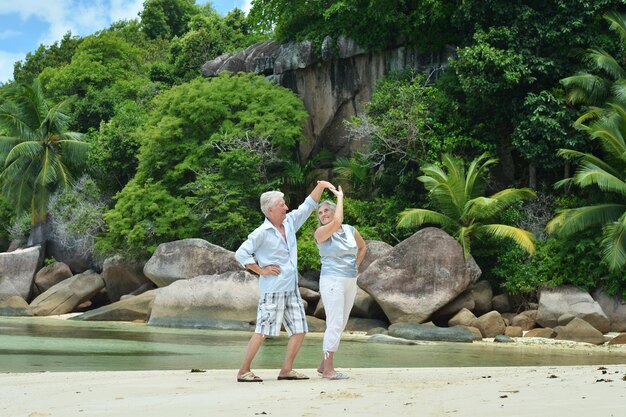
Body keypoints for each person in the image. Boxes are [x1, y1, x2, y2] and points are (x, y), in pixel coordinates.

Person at [234, 180, 336, 382]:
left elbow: (308, 206)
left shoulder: (289, 222)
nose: (286, 208)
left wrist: (321, 186)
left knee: (299, 330)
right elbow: (241, 253)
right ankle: (243, 371)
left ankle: (286, 370)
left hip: (291, 288)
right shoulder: (261, 233)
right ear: (271, 210)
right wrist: (260, 270)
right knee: (263, 331)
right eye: (282, 205)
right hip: (272, 289)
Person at [314, 186, 366, 380]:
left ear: (334, 211)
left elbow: (362, 248)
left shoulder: (351, 230)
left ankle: (322, 365)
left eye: (326, 210)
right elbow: (337, 223)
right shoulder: (321, 233)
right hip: (331, 279)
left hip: (350, 280)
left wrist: (356, 266)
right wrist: (340, 197)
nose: (323, 214)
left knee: (341, 323)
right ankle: (329, 370)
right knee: (334, 322)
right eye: (320, 213)